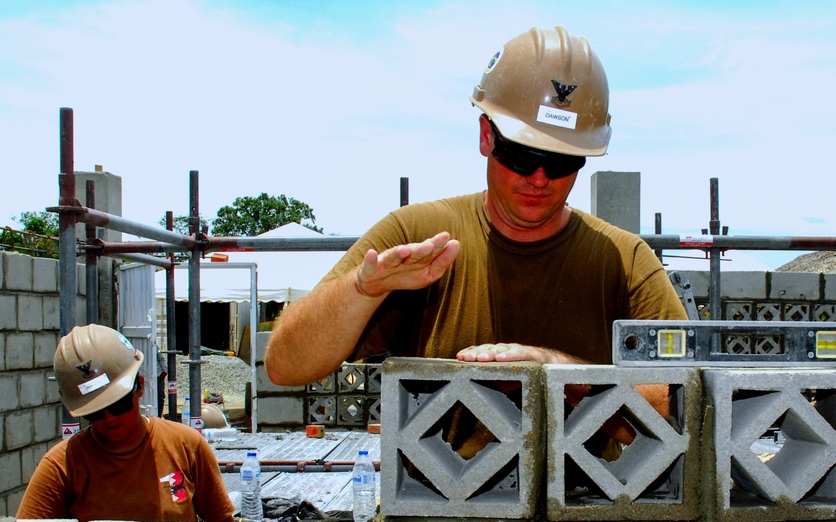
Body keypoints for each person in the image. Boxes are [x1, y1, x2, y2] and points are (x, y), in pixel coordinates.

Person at [265, 26, 686, 444]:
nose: (539, 179)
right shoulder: (414, 236)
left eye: (561, 161)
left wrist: (560, 372)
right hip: (437, 505)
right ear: (487, 136)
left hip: (586, 507)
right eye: (521, 155)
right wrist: (361, 290)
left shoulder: (624, 260)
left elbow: (686, 402)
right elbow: (285, 365)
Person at [17, 323, 236, 522]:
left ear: (139, 387)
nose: (109, 419)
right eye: (94, 413)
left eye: (118, 404)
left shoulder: (186, 447)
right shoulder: (61, 466)